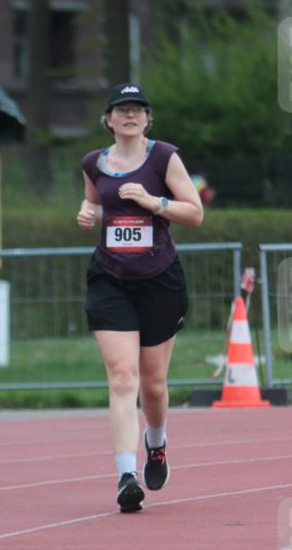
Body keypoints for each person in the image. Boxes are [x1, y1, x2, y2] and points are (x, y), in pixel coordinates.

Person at [77, 83, 204, 513]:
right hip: (109, 279)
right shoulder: (93, 163)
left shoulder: (164, 156)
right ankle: (125, 475)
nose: (129, 115)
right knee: (122, 377)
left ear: (147, 119)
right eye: (121, 109)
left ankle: (157, 443)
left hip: (159, 279)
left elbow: (195, 213)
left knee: (152, 384)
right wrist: (86, 213)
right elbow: (94, 205)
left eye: (137, 109)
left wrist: (154, 202)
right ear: (108, 120)